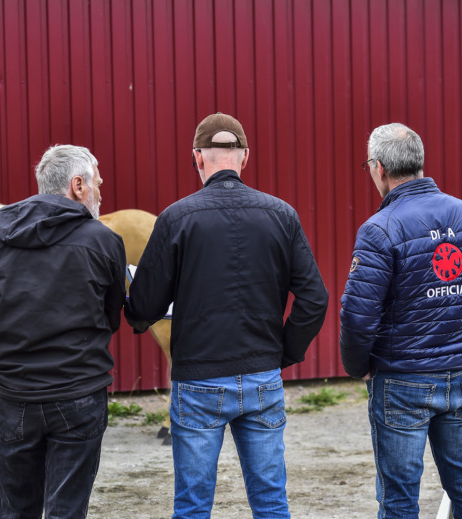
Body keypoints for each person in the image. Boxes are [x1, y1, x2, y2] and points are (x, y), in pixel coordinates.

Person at [124, 112, 329, 518]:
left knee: (193, 507)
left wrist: (135, 313)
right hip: (261, 376)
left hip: (198, 380)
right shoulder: (281, 215)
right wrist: (282, 352)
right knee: (271, 503)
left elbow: (144, 308)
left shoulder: (175, 219)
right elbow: (315, 298)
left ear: (197, 158)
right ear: (245, 157)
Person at [0, 144, 126, 519]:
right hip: (79, 395)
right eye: (98, 184)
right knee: (66, 511)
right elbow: (112, 316)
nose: (101, 193)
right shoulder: (102, 239)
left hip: (12, 397)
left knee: (16, 510)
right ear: (78, 186)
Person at [340, 123, 462, 519]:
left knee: (399, 497)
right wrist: (461, 347)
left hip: (400, 381)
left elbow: (358, 315)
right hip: (459, 377)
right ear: (418, 162)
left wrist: (358, 367)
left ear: (379, 168)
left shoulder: (379, 229)